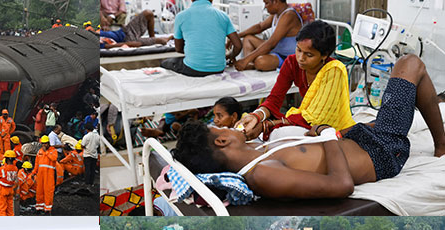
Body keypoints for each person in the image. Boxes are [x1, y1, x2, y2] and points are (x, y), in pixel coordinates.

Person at [173, 54, 445, 198]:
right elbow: (342, 185)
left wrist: (261, 123)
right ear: (221, 142)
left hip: (359, 139)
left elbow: (301, 147)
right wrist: (326, 133)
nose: (225, 127)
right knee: (410, 64)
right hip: (383, 151)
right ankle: (442, 146)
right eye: (218, 128)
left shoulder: (254, 152)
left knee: (400, 102)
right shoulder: (263, 175)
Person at [238, 21, 355, 138]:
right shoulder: (291, 63)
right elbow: (275, 99)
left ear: (324, 55)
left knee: (280, 135)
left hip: (332, 129)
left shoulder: (334, 70)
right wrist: (256, 116)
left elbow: (316, 118)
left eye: (309, 55)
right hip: (307, 123)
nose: (301, 58)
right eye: (298, 50)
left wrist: (267, 125)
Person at [161, 0, 242, 77]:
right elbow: (238, 46)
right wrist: (229, 56)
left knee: (164, 63)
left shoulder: (181, 16)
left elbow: (178, 49)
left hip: (193, 69)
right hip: (219, 69)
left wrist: (195, 53)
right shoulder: (223, 16)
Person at [234, 0, 303, 71]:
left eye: (267, 3)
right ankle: (250, 64)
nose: (265, 6)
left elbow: (271, 44)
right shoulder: (276, 14)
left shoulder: (289, 15)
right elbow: (260, 27)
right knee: (248, 39)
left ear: (276, 1)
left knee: (260, 62)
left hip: (286, 56)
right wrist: (237, 36)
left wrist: (246, 60)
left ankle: (249, 62)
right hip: (276, 50)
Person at [99, 10, 172, 49]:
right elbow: (108, 46)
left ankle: (152, 37)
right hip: (127, 39)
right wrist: (129, 44)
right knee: (161, 41)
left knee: (148, 13)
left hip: (124, 30)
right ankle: (159, 40)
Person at [34, 136, 58, 214]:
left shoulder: (53, 150)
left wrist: (46, 152)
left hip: (49, 174)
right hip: (40, 174)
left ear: (48, 143)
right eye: (43, 144)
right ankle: (39, 208)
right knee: (39, 190)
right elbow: (37, 163)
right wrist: (34, 172)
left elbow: (54, 158)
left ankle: (47, 209)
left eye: (45, 144)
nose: (44, 145)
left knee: (48, 191)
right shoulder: (39, 151)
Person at [0, 151, 18, 216]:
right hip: (10, 189)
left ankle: (3, 223)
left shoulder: (2, 168)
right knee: (10, 208)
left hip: (2, 189)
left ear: (6, 159)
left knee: (1, 208)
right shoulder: (15, 168)